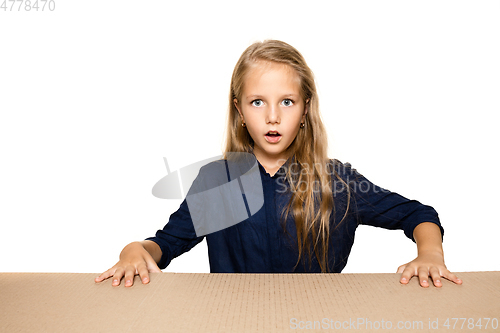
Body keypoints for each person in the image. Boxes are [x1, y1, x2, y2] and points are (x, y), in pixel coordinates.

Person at [95, 40, 462, 288]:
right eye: (258, 102)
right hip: (234, 322)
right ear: (239, 110)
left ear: (304, 110)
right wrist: (135, 250)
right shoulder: (219, 182)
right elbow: (165, 246)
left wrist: (429, 254)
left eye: (286, 102)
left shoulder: (336, 180)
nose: (272, 117)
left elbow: (418, 214)